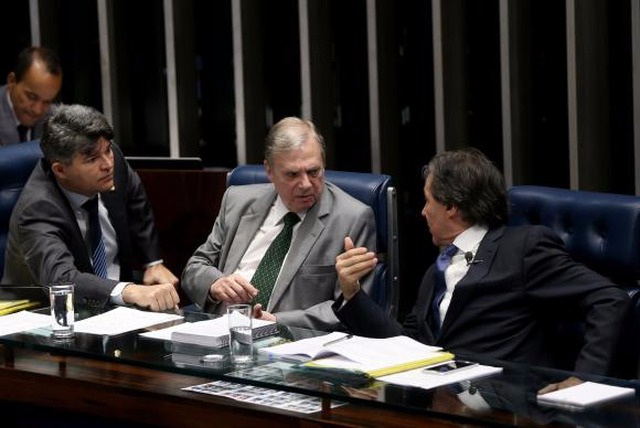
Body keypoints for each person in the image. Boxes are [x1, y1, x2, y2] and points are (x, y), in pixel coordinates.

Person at [333, 148, 630, 383]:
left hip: (505, 405)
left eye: (427, 201)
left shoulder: (523, 248)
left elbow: (609, 299)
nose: (422, 212)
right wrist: (353, 294)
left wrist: (583, 381)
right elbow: (408, 345)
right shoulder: (436, 269)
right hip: (438, 401)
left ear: (451, 207)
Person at [181, 116, 376, 330]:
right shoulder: (237, 201)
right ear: (269, 171)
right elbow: (194, 268)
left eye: (314, 172)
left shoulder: (353, 218)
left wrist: (277, 322)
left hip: (289, 345)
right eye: (292, 174)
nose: (305, 184)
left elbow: (353, 309)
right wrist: (214, 284)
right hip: (218, 331)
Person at [2, 104, 180, 312]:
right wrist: (130, 291)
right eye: (92, 159)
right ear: (60, 170)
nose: (107, 164)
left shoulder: (114, 163)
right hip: (46, 315)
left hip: (115, 303)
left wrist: (153, 262)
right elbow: (61, 279)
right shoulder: (37, 208)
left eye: (107, 150)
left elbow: (136, 204)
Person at [0, 46, 62, 146]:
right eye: (32, 97)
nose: (38, 110)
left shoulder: (52, 118)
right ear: (12, 81)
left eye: (47, 101)